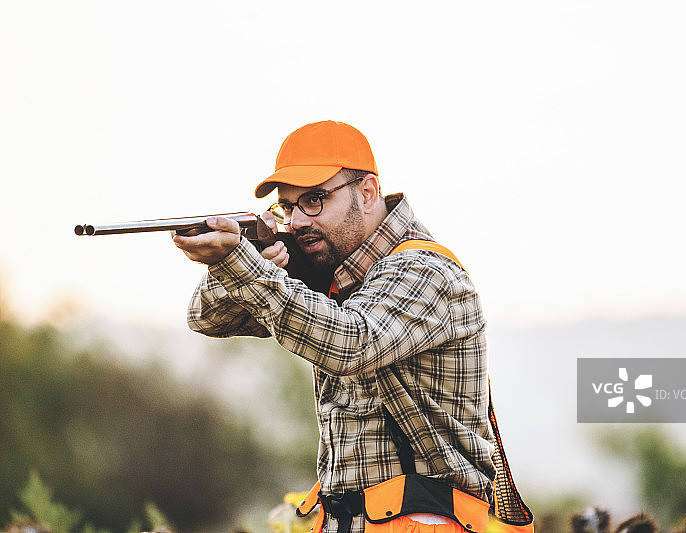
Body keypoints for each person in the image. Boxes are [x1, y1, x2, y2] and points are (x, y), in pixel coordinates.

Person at [173, 120, 495, 533]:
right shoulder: (331, 272)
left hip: (428, 521)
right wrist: (245, 258)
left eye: (314, 200)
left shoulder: (424, 270)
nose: (297, 221)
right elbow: (206, 318)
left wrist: (244, 265)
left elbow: (351, 343)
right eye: (288, 207)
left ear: (368, 192)